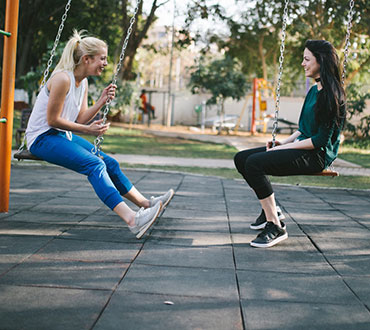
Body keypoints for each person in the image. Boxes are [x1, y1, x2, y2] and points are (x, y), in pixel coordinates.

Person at [25, 30, 174, 239]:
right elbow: (52, 120)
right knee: (95, 164)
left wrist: (101, 100)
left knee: (109, 163)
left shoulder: (83, 82)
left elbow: (81, 118)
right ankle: (132, 219)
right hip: (42, 138)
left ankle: (146, 204)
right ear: (87, 59)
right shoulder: (62, 79)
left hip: (60, 136)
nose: (105, 63)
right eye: (102, 58)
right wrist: (88, 131)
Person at [234, 40, 346, 248]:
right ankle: (272, 209)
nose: (303, 63)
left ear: (321, 61)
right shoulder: (314, 91)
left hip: (317, 155)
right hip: (304, 145)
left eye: (307, 59)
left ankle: (275, 226)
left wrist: (285, 148)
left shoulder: (332, 95)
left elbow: (320, 140)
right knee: (241, 159)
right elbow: (304, 129)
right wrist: (282, 142)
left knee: (255, 164)